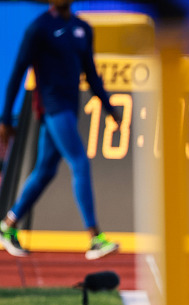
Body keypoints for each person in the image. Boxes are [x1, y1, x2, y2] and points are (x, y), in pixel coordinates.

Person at [0, 0, 120, 260]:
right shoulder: (39, 28)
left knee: (44, 171)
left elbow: (90, 72)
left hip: (69, 105)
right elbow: (18, 73)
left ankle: (7, 226)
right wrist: (6, 117)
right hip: (52, 106)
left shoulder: (82, 28)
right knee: (79, 162)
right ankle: (94, 237)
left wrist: (109, 107)